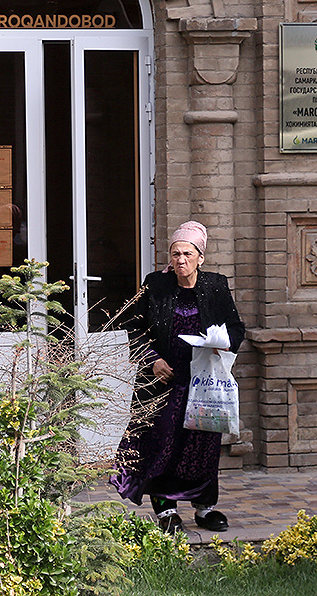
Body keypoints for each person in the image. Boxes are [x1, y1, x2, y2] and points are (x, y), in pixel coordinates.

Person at [110, 221, 245, 534]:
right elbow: (134, 329)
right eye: (175, 253)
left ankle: (204, 507)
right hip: (164, 383)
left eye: (187, 253)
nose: (180, 259)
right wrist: (152, 359)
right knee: (162, 444)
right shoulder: (156, 285)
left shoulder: (216, 285)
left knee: (203, 447)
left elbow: (237, 328)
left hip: (203, 384)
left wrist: (224, 343)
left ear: (200, 257)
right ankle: (165, 508)